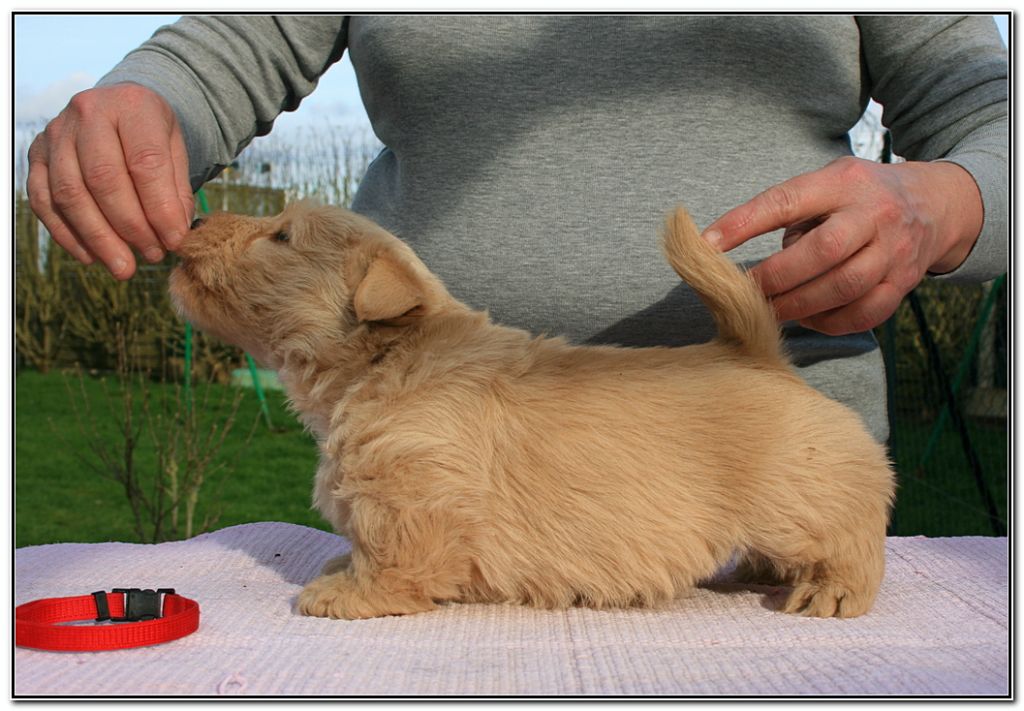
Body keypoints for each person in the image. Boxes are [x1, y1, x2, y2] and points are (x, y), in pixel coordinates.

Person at [27, 15, 1008, 443]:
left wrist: (945, 203)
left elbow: (991, 121)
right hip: (436, 467)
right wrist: (141, 103)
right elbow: (218, 57)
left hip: (754, 468)